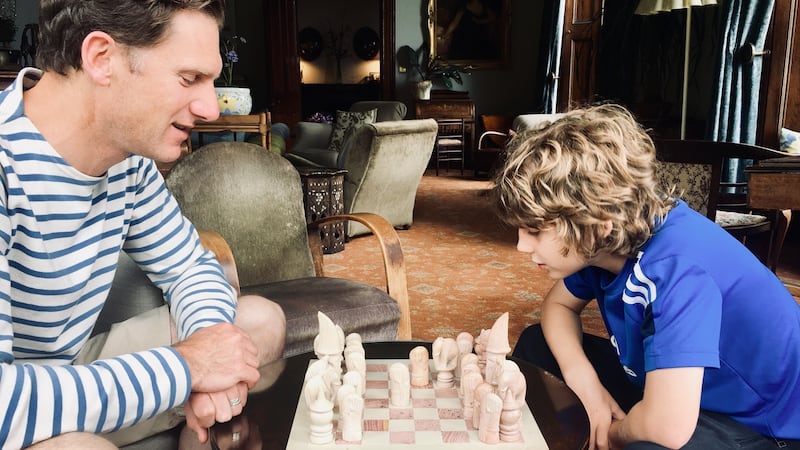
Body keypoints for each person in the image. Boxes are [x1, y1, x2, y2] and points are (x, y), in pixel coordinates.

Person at [0, 0, 286, 448]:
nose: (211, 107)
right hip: (11, 402)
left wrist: (211, 356)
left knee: (259, 322)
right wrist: (188, 368)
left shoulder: (127, 161)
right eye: (189, 78)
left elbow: (190, 267)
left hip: (72, 370)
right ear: (101, 58)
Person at [490, 104, 800, 449]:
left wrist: (612, 434)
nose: (520, 245)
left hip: (762, 424)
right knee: (537, 344)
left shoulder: (678, 270)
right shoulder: (607, 240)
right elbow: (558, 307)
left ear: (596, 224)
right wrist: (587, 388)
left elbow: (667, 427)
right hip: (670, 390)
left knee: (646, 445)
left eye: (534, 230)